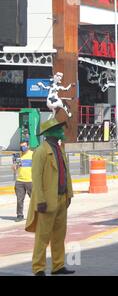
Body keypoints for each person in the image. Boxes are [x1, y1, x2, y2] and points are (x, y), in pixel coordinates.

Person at [25, 118, 75, 276]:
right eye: (59, 129)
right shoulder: (40, 151)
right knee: (43, 237)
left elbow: (66, 174)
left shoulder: (60, 149)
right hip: (46, 202)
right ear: (50, 132)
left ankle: (58, 265)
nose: (62, 131)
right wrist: (40, 200)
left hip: (61, 199)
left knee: (60, 235)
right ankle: (38, 268)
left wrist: (69, 194)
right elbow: (37, 179)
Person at [12, 140, 33, 222]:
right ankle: (19, 215)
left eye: (24, 146)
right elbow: (15, 167)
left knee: (34, 199)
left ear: (28, 146)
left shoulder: (33, 154)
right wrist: (14, 167)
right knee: (19, 199)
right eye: (21, 146)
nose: (22, 148)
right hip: (20, 181)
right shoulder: (18, 156)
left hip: (30, 181)